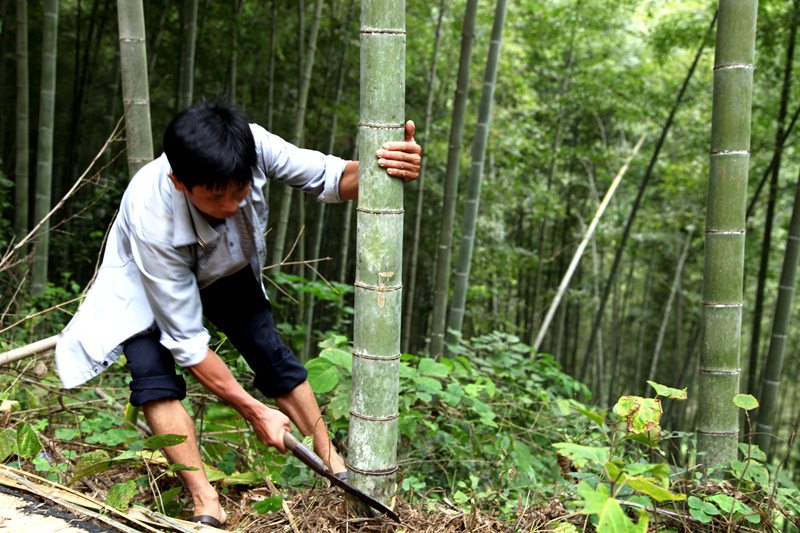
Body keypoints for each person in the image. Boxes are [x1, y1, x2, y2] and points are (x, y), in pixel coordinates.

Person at [55, 101, 421, 528]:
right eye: (215, 196)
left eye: (240, 190)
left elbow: (334, 177)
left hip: (224, 264)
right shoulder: (151, 212)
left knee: (270, 353)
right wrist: (254, 410)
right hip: (146, 282)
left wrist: (386, 166)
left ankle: (334, 464)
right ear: (179, 183)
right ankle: (205, 501)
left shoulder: (252, 143)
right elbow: (188, 346)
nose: (231, 204)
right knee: (154, 380)